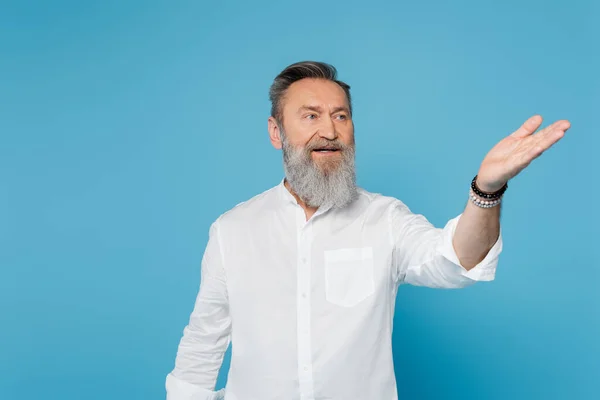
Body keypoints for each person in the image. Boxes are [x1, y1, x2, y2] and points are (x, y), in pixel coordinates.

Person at [165, 61, 571, 400]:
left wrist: (487, 189)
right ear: (276, 132)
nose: (330, 130)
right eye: (310, 116)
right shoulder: (232, 230)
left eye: (340, 115)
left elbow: (456, 259)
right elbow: (202, 345)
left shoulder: (385, 219)